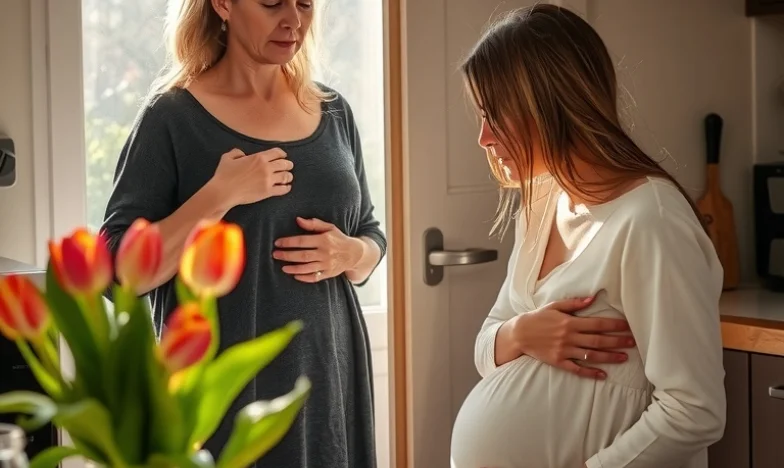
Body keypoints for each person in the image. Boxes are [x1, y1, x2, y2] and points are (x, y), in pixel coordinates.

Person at [100, 1, 386, 467]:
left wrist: (350, 252)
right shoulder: (171, 117)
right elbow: (116, 271)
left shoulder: (334, 112)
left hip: (329, 389)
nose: (293, 19)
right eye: (272, 2)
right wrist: (217, 196)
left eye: (305, 4)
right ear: (224, 5)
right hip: (218, 404)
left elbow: (372, 235)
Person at [449, 4, 726, 468]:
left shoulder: (649, 218)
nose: (483, 138)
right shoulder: (541, 205)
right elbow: (485, 349)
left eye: (494, 115)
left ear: (548, 105)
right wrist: (521, 332)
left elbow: (694, 410)